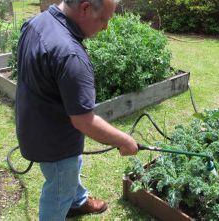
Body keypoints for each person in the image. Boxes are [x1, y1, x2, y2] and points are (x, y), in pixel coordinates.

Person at [15, 0, 138, 220]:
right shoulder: (70, 54)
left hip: (35, 123)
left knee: (70, 170)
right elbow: (84, 121)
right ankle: (66, 203)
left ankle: (77, 201)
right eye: (104, 19)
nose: (105, 26)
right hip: (54, 143)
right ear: (85, 7)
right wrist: (124, 140)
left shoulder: (36, 22)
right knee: (59, 189)